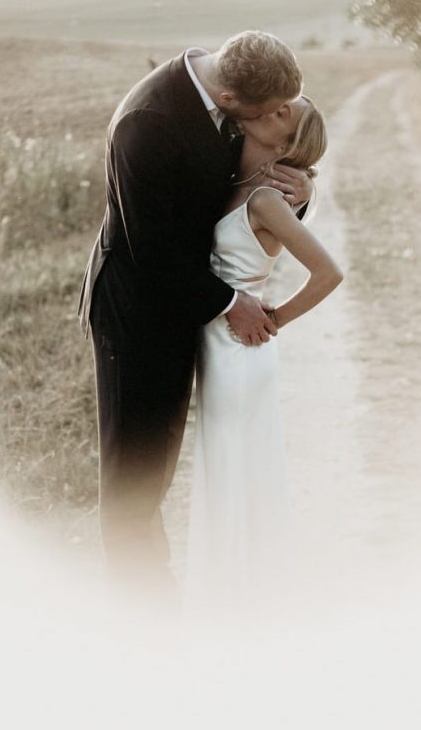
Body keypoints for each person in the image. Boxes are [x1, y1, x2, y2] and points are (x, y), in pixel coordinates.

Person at [78, 31, 313, 594]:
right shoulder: (147, 123)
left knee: (171, 455)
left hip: (190, 300)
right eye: (269, 113)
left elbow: (241, 195)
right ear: (231, 100)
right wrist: (232, 302)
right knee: (136, 466)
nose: (278, 118)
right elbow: (150, 249)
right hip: (138, 313)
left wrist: (299, 192)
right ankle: (144, 605)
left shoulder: (234, 85)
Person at [186, 97, 343, 613]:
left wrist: (275, 319)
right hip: (218, 347)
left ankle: (240, 605)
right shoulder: (236, 176)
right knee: (226, 473)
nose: (271, 107)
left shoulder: (266, 202)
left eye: (283, 114)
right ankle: (233, 596)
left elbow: (329, 274)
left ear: (286, 143)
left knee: (235, 474)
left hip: (239, 353)